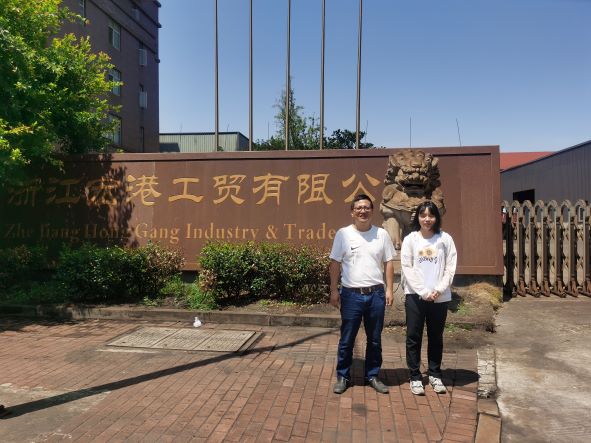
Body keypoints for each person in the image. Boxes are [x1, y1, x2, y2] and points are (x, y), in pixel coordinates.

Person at [329, 194, 396, 394]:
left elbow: (389, 262)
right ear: (352, 212)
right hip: (351, 295)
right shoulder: (343, 234)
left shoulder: (381, 234)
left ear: (372, 211)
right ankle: (343, 376)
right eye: (358, 208)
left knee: (374, 339)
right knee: (347, 339)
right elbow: (335, 263)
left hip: (376, 294)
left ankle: (372, 375)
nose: (363, 211)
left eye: (366, 207)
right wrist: (333, 289)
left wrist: (389, 289)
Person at [400, 200, 457, 395]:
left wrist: (439, 290)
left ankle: (434, 374)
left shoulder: (445, 239)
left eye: (431, 215)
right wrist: (423, 292)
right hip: (415, 297)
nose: (427, 219)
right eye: (423, 215)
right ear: (417, 217)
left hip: (439, 297)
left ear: (436, 217)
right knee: (413, 336)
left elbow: (450, 267)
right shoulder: (411, 240)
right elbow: (407, 267)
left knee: (436, 337)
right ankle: (415, 376)